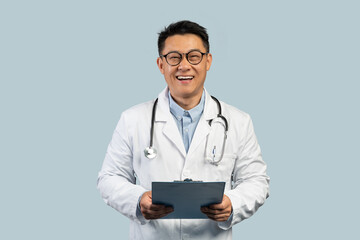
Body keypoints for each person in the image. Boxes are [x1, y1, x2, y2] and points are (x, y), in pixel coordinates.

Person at [97, 20, 269, 240]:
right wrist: (138, 200)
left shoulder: (238, 121)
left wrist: (233, 203)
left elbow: (256, 180)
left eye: (194, 56)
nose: (184, 66)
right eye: (174, 57)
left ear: (208, 61)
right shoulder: (132, 119)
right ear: (161, 65)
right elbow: (109, 178)